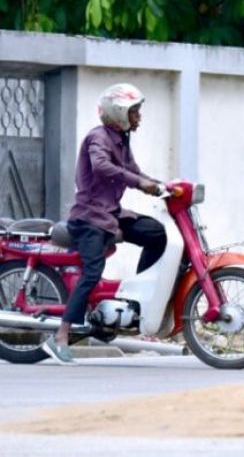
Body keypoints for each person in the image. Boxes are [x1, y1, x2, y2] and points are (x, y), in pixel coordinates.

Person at [42, 83, 166, 365]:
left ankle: (141, 298)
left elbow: (133, 171)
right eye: (134, 112)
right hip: (89, 217)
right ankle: (60, 336)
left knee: (156, 233)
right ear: (119, 113)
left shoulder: (121, 139)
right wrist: (140, 183)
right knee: (92, 270)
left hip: (112, 212)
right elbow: (101, 166)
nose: (139, 117)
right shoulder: (98, 138)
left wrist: (162, 185)